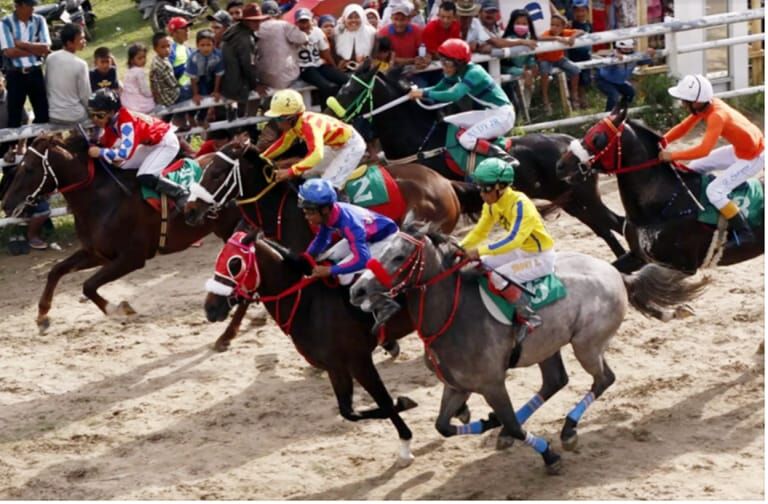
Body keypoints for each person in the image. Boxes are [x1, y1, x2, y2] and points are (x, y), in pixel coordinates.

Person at [659, 74, 764, 248]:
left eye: (685, 101)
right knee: (694, 167)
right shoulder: (706, 106)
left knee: (715, 191)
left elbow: (703, 150)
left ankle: (744, 232)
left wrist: (672, 155)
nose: (683, 104)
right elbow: (684, 127)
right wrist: (661, 141)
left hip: (754, 158)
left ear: (697, 101)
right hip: (740, 150)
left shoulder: (716, 115)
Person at [459, 157, 555, 343]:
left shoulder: (520, 203)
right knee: (478, 264)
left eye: (485, 188)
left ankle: (529, 317)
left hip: (541, 257)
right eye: (479, 187)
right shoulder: (491, 205)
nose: (481, 193)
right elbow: (480, 231)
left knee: (498, 276)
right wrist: (461, 247)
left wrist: (479, 251)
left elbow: (513, 239)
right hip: (521, 251)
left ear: (500, 187)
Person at [408, 38, 517, 164]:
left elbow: (454, 95)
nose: (444, 66)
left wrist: (423, 93)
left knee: (466, 139)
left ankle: (503, 157)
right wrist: (418, 91)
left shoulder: (474, 72)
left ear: (459, 63)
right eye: (442, 61)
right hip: (491, 113)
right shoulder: (457, 72)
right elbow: (438, 88)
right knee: (447, 122)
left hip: (504, 116)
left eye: (447, 63)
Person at [86, 89, 186, 207]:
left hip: (166, 143)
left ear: (112, 112)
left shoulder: (127, 123)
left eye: (99, 115)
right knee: (122, 165)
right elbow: (106, 143)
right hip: (152, 144)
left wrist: (101, 152)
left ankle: (181, 193)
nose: (95, 119)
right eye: (92, 115)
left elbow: (124, 153)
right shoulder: (113, 122)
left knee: (145, 175)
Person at [262, 89, 366, 190]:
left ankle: (342, 193)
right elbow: (283, 143)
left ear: (292, 118)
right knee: (306, 173)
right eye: (274, 118)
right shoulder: (296, 124)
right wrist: (262, 157)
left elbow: (316, 154)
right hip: (333, 146)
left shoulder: (309, 126)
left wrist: (290, 171)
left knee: (325, 187)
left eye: (279, 118)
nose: (277, 123)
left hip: (351, 146)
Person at [0, 0, 51, 131]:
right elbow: (10, 52)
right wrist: (35, 49)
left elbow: (45, 48)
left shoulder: (39, 20)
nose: (33, 8)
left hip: (35, 72)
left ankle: (37, 141)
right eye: (30, 5)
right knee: (14, 117)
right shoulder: (5, 23)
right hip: (15, 74)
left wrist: (20, 44)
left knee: (43, 113)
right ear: (20, 5)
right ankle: (15, 144)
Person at [220, 2, 269, 111]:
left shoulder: (234, 30)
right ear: (246, 21)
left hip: (227, 82)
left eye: (259, 20)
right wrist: (255, 85)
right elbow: (248, 65)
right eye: (254, 21)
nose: (258, 23)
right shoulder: (245, 39)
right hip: (237, 86)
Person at [295, 8, 348, 104]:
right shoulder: (292, 34)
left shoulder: (317, 31)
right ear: (296, 23)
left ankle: (344, 104)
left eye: (307, 21)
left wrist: (334, 67)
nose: (305, 25)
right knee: (325, 86)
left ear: (312, 21)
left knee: (345, 79)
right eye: (301, 22)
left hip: (318, 63)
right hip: (304, 67)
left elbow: (325, 51)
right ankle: (327, 110)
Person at [536, 14, 584, 114]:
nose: (554, 27)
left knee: (575, 70)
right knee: (545, 73)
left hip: (558, 58)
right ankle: (545, 97)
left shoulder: (564, 32)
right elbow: (539, 38)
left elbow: (581, 31)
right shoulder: (548, 33)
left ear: (563, 27)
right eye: (552, 24)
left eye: (557, 25)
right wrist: (556, 38)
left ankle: (574, 94)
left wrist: (573, 37)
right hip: (545, 59)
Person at [45, 23, 90, 125]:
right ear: (69, 43)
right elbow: (85, 95)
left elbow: (47, 86)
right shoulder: (81, 64)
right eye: (81, 39)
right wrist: (92, 112)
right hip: (74, 115)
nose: (84, 41)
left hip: (53, 114)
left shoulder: (50, 58)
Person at [254, 5, 308, 89]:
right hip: (288, 77)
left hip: (263, 78)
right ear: (278, 13)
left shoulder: (256, 28)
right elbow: (303, 39)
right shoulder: (284, 25)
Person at [595, 38, 655, 111]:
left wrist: (650, 55)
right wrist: (615, 59)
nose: (628, 51)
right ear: (618, 48)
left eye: (630, 49)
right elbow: (603, 60)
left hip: (619, 81)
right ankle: (609, 114)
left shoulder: (635, 56)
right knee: (614, 95)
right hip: (604, 80)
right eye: (625, 49)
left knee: (630, 93)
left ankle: (622, 110)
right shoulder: (612, 55)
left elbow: (645, 62)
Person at [379, 2, 428, 68]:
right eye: (396, 19)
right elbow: (385, 58)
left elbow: (424, 52)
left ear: (409, 19)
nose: (399, 23)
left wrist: (423, 60)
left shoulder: (417, 30)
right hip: (392, 69)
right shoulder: (383, 32)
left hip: (414, 68)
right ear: (391, 18)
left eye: (402, 19)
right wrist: (413, 60)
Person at [335, 4, 376, 72]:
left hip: (365, 70)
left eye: (357, 17)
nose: (353, 20)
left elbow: (374, 55)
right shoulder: (338, 31)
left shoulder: (371, 32)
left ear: (362, 18)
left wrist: (365, 62)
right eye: (350, 17)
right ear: (345, 19)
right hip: (342, 70)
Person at [567, 0, 592, 109]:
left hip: (586, 56)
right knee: (574, 77)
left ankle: (583, 97)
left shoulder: (589, 25)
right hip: (574, 56)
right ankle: (574, 98)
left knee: (584, 79)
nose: (580, 13)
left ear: (587, 11)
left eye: (583, 10)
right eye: (577, 11)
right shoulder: (571, 25)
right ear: (573, 12)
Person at [121, 42, 156, 113]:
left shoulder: (129, 71)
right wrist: (152, 94)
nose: (143, 60)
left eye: (144, 57)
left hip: (128, 102)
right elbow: (144, 90)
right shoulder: (139, 72)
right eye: (139, 58)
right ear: (132, 60)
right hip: (138, 104)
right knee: (153, 101)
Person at [149, 31, 180, 107]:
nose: (167, 49)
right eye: (163, 47)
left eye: (168, 46)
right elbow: (173, 84)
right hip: (170, 98)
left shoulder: (156, 59)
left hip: (161, 97)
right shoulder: (163, 65)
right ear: (155, 49)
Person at [167, 17, 193, 102]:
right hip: (184, 91)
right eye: (184, 28)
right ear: (174, 33)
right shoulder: (171, 50)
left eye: (188, 27)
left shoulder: (186, 46)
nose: (187, 30)